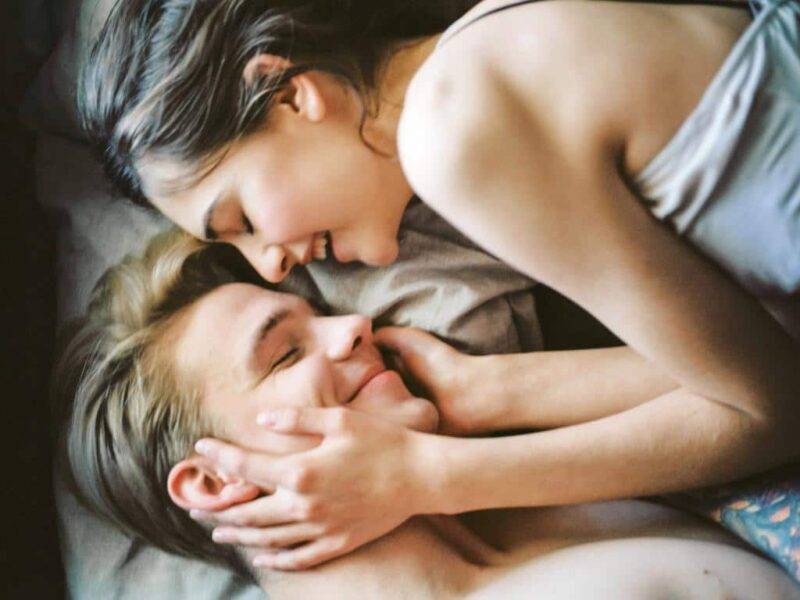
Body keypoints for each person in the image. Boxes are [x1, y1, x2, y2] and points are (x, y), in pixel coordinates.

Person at [80, 0, 800, 569]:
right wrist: (484, 392)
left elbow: (774, 411)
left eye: (240, 219)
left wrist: (429, 477)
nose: (271, 265)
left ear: (288, 95)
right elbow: (757, 364)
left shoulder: (453, 134)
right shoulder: (482, 53)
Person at [55, 230, 799, 598]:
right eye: (284, 355)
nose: (352, 327)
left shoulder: (526, 511)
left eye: (315, 314)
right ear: (215, 482)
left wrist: (488, 393)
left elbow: (769, 380)